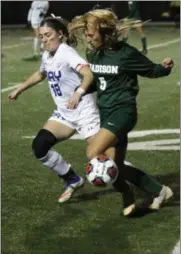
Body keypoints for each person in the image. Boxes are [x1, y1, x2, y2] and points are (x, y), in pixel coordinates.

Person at [8, 15, 138, 217]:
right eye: (41, 36)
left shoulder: (66, 53)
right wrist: (20, 89)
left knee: (107, 160)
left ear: (60, 34)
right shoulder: (48, 55)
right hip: (64, 114)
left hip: (85, 112)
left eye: (48, 35)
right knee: (40, 146)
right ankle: (72, 179)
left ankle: (143, 186)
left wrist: (78, 92)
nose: (44, 40)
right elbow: (41, 73)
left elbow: (88, 73)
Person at [68, 9, 174, 212]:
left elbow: (152, 70)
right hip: (106, 113)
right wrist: (80, 92)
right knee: (116, 166)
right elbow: (99, 82)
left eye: (91, 33)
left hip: (123, 112)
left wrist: (166, 67)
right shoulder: (93, 53)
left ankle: (127, 193)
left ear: (105, 31)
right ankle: (160, 191)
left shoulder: (126, 53)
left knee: (93, 152)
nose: (88, 38)